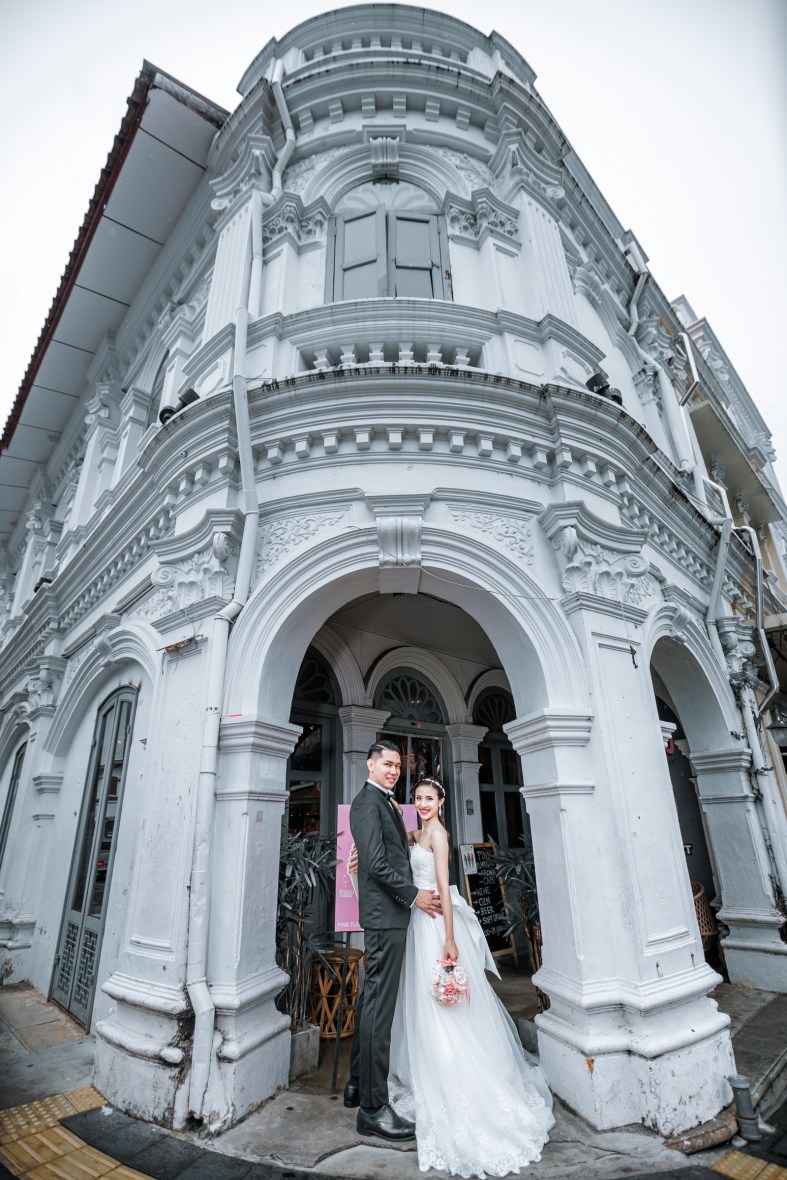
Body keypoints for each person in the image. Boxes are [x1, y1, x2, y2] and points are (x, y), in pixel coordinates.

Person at [388, 776, 554, 1177]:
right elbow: (405, 831)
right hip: (417, 918)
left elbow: (445, 888)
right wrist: (392, 808)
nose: (423, 803)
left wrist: (449, 937)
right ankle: (428, 1063)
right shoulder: (420, 830)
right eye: (419, 798)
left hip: (433, 924)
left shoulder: (439, 836)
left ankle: (451, 1071)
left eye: (429, 798)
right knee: (421, 998)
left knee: (442, 999)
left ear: (442, 802)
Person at [343, 741, 442, 1141]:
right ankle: (373, 1108)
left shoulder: (386, 803)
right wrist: (414, 894)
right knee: (380, 1011)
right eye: (387, 763)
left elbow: (388, 853)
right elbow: (378, 863)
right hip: (386, 917)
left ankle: (356, 1085)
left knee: (372, 1002)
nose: (394, 770)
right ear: (370, 764)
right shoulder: (367, 803)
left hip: (388, 915)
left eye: (398, 765)